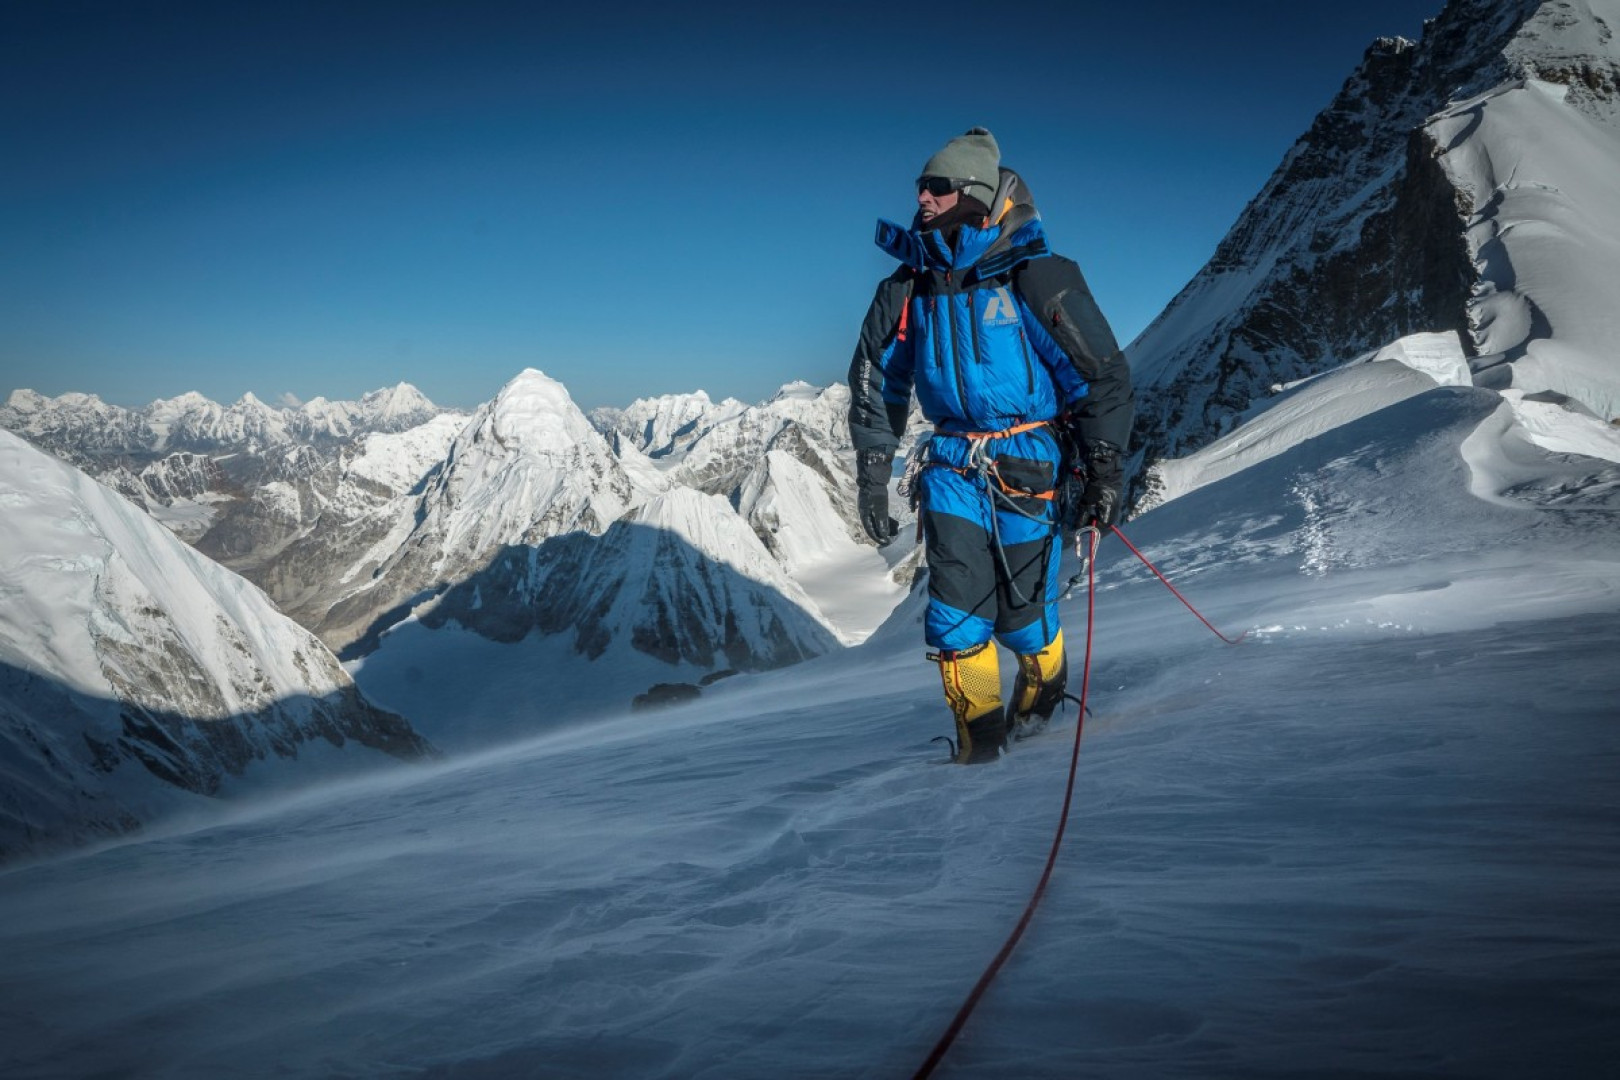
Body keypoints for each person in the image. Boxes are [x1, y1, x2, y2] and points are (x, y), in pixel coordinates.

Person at [847, 127, 1134, 764]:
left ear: (973, 194)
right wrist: (872, 470)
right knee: (956, 615)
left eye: (936, 186)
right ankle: (980, 751)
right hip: (950, 465)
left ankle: (1041, 708)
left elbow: (1099, 374)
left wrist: (1103, 471)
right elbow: (876, 377)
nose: (920, 196)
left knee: (1025, 618)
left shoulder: (1034, 276)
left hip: (1027, 461)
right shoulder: (906, 287)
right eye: (920, 186)